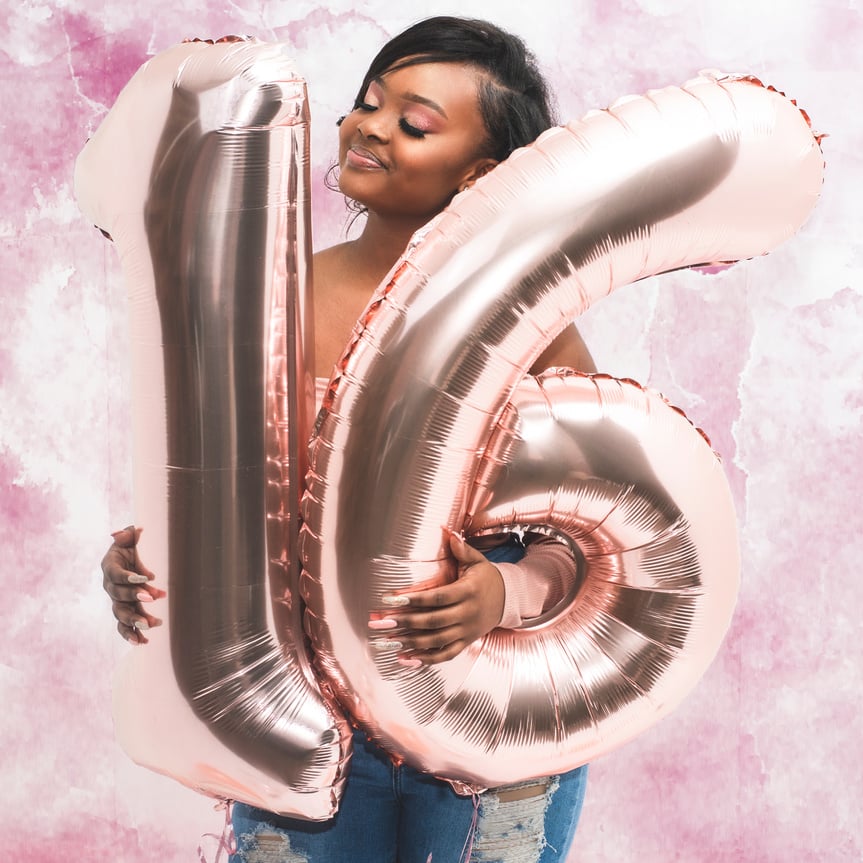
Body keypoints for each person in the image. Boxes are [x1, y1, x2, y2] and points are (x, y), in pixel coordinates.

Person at [101, 16, 596, 863]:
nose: (370, 124)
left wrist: (502, 594)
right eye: (366, 103)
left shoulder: (530, 326)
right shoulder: (277, 302)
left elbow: (590, 535)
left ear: (479, 174)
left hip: (486, 716)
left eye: (414, 121)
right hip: (302, 713)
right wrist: (151, 566)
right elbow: (217, 482)